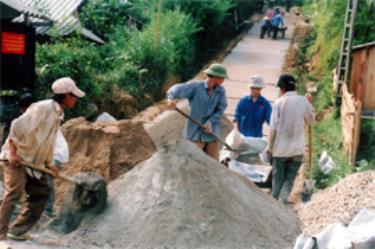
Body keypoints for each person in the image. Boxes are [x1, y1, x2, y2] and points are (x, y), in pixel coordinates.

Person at [0, 77, 85, 241]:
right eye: (73, 95)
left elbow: (48, 141)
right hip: (17, 157)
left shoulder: (58, 114)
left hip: (33, 162)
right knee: (15, 192)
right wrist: (13, 152)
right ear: (66, 95)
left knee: (42, 192)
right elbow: (17, 125)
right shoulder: (43, 107)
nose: (75, 99)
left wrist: (50, 164)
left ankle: (17, 230)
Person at [268, 74, 314, 205]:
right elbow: (311, 121)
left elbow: (272, 129)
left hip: (280, 149)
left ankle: (274, 204)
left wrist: (270, 148)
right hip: (297, 149)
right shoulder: (303, 101)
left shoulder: (279, 103)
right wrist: (310, 106)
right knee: (289, 179)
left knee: (278, 179)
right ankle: (283, 202)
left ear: (282, 89)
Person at [166, 63, 228, 160]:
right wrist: (170, 99)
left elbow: (220, 110)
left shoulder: (220, 91)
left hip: (211, 133)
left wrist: (210, 122)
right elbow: (176, 89)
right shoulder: (196, 87)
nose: (223, 80)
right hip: (194, 131)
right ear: (215, 77)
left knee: (214, 164)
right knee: (192, 162)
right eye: (222, 78)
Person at [44, 129, 69, 217]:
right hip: (46, 155)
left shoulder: (49, 126)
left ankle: (47, 210)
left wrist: (52, 164)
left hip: (56, 155)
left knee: (46, 180)